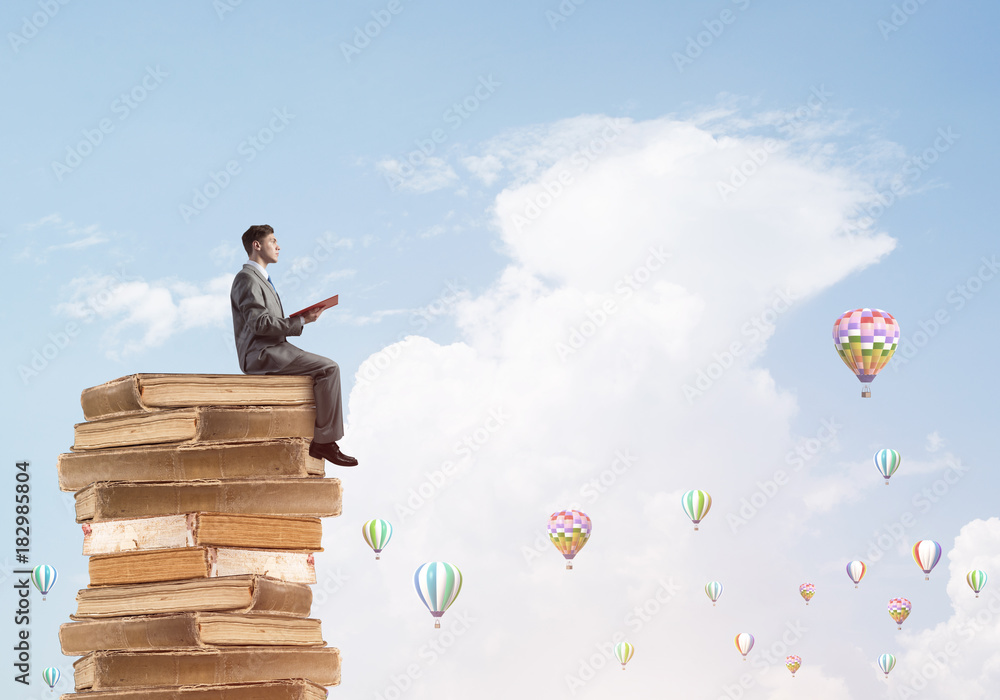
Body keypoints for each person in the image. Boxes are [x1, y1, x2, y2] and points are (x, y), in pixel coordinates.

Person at [230, 224, 358, 467]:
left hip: (275, 347)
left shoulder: (261, 279)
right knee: (329, 369)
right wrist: (300, 321)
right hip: (261, 353)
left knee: (324, 369)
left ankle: (323, 438)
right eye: (273, 241)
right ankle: (324, 442)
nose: (279, 246)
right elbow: (259, 323)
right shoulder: (246, 278)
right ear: (257, 246)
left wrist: (301, 319)